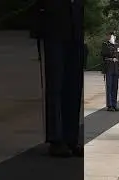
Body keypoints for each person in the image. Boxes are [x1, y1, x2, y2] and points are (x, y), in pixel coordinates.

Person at [40, 0, 83, 157]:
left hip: (76, 26)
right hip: (55, 25)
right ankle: (56, 139)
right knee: (55, 85)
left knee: (74, 86)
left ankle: (71, 138)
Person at [101, 32, 119, 111]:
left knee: (115, 87)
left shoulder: (118, 45)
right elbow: (105, 53)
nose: (113, 37)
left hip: (116, 67)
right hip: (109, 67)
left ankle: (114, 104)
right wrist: (112, 45)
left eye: (114, 36)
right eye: (112, 36)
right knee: (109, 86)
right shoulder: (105, 45)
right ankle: (109, 105)